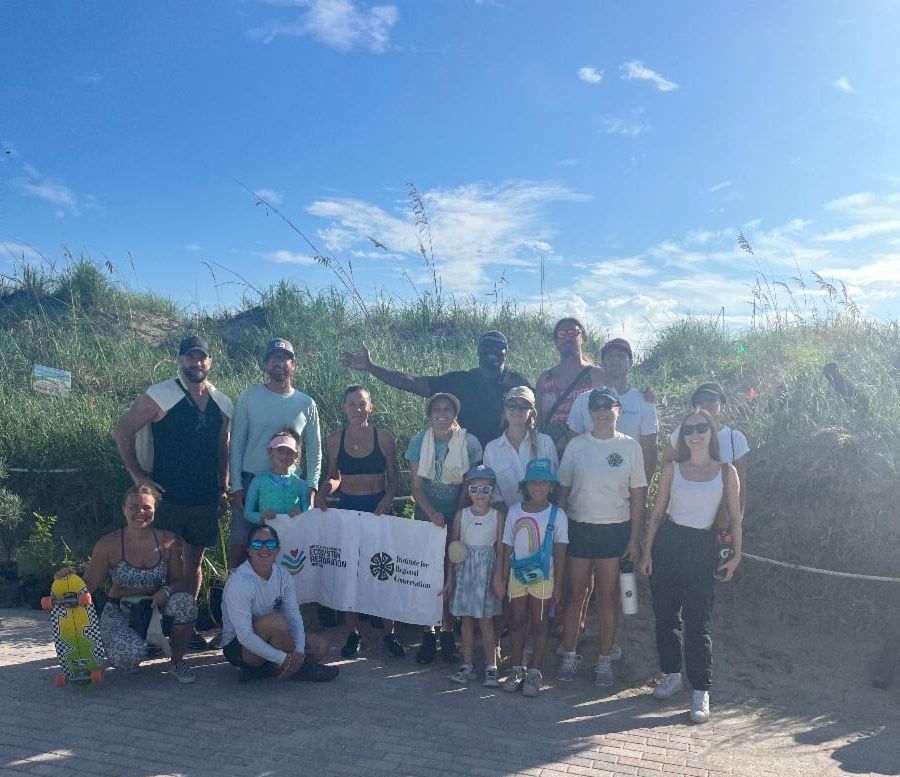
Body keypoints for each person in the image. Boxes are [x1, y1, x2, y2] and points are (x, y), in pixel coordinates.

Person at [113, 335, 231, 650]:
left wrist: (222, 487)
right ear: (180, 360)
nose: (196, 362)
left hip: (204, 498)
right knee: (156, 564)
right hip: (166, 498)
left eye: (202, 357)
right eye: (190, 356)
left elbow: (223, 447)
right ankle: (149, 631)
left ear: (210, 361)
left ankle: (184, 629)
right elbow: (122, 429)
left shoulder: (221, 402)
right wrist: (138, 476)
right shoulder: (160, 395)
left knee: (193, 564)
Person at [641, 409, 742, 724]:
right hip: (669, 541)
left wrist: (736, 555)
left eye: (701, 428)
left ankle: (700, 688)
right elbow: (657, 514)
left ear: (711, 432)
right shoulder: (672, 469)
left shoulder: (726, 471)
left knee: (698, 621)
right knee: (666, 615)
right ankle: (672, 673)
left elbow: (736, 518)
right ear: (682, 436)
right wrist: (647, 552)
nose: (695, 434)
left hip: (703, 545)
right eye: (688, 430)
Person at [55, 485, 200, 683]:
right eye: (134, 507)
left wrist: (166, 591)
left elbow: (179, 581)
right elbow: (89, 584)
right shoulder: (108, 544)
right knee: (128, 658)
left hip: (155, 608)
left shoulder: (168, 540)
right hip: (120, 610)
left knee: (185, 602)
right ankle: (114, 643)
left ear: (155, 510)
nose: (140, 512)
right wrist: (66, 583)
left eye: (147, 507)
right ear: (123, 509)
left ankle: (177, 662)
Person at [557, 387, 646, 688]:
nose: (602, 411)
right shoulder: (577, 446)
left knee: (609, 598)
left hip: (615, 531)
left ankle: (605, 660)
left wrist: (634, 539)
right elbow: (563, 491)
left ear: (618, 409)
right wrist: (558, 534)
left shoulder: (630, 447)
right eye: (595, 406)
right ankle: (569, 655)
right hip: (579, 529)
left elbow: (638, 497)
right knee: (575, 595)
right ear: (589, 412)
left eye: (607, 405)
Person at [315, 385, 404, 658]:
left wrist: (387, 499)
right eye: (351, 404)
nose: (357, 409)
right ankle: (353, 633)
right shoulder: (335, 438)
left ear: (370, 407)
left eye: (362, 404)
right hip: (349, 509)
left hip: (377, 510)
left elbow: (394, 479)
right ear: (344, 408)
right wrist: (323, 493)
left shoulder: (383, 438)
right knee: (349, 575)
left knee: (383, 572)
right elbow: (335, 475)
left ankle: (390, 633)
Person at [340, 331, 532, 447]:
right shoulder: (461, 381)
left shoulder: (517, 383)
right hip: (466, 456)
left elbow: (539, 412)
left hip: (507, 457)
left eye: (498, 347)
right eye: (487, 346)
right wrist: (372, 368)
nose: (492, 351)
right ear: (478, 351)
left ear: (506, 351)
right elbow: (413, 382)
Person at [229, 338, 322, 569]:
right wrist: (236, 486)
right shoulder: (249, 397)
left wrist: (311, 487)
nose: (279, 363)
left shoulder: (306, 403)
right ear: (265, 364)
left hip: (290, 487)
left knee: (287, 552)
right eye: (274, 359)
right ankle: (233, 592)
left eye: (284, 359)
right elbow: (237, 444)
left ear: (293, 365)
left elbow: (315, 449)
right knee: (239, 548)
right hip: (251, 482)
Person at [406, 393, 483, 664]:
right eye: (436, 409)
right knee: (427, 574)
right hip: (426, 514)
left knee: (452, 573)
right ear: (429, 414)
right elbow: (416, 487)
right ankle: (428, 633)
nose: (441, 414)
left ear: (455, 413)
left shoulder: (469, 443)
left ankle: (448, 632)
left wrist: (457, 515)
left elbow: (470, 483)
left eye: (447, 409)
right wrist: (431, 513)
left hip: (458, 514)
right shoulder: (418, 442)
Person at [220, 524, 338, 682]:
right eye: (257, 544)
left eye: (270, 544)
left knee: (320, 646)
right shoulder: (239, 581)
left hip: (271, 634)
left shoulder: (283, 575)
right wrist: (284, 658)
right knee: (277, 622)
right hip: (239, 647)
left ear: (277, 549)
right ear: (249, 550)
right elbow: (244, 635)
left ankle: (263, 671)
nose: (264, 549)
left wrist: (299, 652)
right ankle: (293, 669)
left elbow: (294, 617)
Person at [500, 458, 568, 698]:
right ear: (525, 486)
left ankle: (535, 671)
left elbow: (560, 551)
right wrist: (502, 577)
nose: (537, 487)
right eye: (532, 482)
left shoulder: (557, 515)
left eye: (543, 482)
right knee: (517, 620)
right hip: (517, 574)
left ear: (551, 486)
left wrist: (558, 585)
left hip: (543, 577)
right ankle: (516, 668)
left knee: (540, 622)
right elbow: (507, 546)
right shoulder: (515, 511)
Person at [444, 465, 506, 687]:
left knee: (486, 620)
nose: (480, 494)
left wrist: (499, 577)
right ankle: (467, 665)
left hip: (486, 575)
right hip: (465, 573)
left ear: (492, 492)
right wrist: (450, 579)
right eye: (475, 489)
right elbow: (453, 549)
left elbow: (500, 550)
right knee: (467, 620)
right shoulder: (461, 515)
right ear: (468, 491)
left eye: (485, 489)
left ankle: (491, 667)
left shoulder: (497, 516)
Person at [566, 338, 658, 483]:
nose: (616, 360)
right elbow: (572, 448)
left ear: (630, 363)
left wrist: (642, 490)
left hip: (629, 485)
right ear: (601, 363)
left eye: (621, 356)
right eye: (610, 356)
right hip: (590, 485)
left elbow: (650, 452)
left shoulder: (644, 402)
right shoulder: (583, 400)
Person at [663, 382, 749, 515]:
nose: (706, 404)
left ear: (722, 402)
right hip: (682, 515)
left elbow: (741, 485)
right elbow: (666, 460)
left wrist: (737, 520)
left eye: (711, 399)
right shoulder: (684, 432)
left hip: (719, 518)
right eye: (700, 401)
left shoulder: (735, 438)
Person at [535, 318, 606, 456]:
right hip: (550, 455)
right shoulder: (544, 379)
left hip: (586, 453)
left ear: (583, 338)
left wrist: (644, 395)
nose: (567, 337)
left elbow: (615, 405)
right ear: (556, 342)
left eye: (573, 332)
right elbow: (538, 420)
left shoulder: (597, 375)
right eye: (562, 334)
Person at [483, 386, 558, 511]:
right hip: (508, 517)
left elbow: (553, 483)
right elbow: (493, 492)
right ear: (505, 408)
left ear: (531, 411)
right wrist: (511, 517)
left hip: (543, 515)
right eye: (512, 405)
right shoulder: (491, 449)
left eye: (524, 407)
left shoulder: (546, 442)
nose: (517, 410)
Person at [243, 430, 309, 525]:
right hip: (267, 532)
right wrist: (261, 517)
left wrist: (300, 515)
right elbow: (248, 513)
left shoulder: (301, 485)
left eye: (290, 452)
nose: (285, 455)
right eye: (280, 451)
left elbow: (307, 513)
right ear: (270, 451)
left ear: (295, 456)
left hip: (294, 531)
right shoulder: (258, 482)